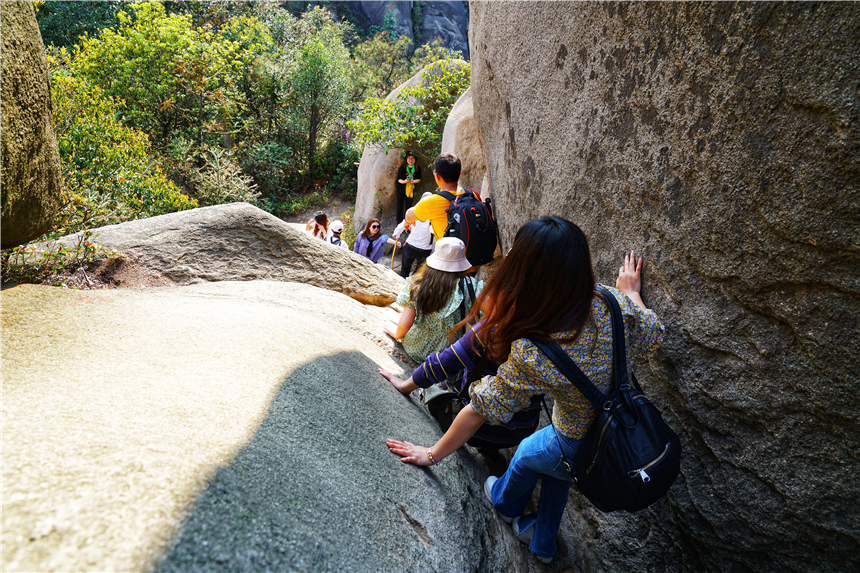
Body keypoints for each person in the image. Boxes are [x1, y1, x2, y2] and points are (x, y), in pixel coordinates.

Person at [385, 217, 664, 564]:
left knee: (531, 455)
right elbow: (654, 332)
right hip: (623, 426)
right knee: (556, 472)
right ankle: (543, 546)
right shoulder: (610, 301)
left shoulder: (536, 348)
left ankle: (503, 502)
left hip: (576, 442)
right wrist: (632, 294)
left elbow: (479, 409)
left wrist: (430, 454)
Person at [384, 237, 483, 363]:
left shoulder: (418, 283)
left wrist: (397, 334)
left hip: (415, 346)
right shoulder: (470, 286)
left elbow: (405, 323)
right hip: (447, 356)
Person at [404, 154, 465, 241]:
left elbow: (408, 216)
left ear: (437, 176)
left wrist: (407, 222)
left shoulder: (432, 201)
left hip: (449, 253)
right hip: (474, 252)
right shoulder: (471, 194)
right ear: (459, 174)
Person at [392, 192, 434, 278]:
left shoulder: (414, 213)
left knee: (405, 269)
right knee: (418, 273)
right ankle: (410, 286)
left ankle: (401, 287)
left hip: (410, 246)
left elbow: (403, 224)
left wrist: (396, 233)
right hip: (425, 250)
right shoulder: (433, 217)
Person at [395, 151, 422, 223]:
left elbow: (419, 179)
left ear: (415, 160)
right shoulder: (402, 168)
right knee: (399, 206)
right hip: (400, 188)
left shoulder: (417, 168)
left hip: (410, 189)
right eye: (409, 158)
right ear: (406, 159)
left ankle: (408, 223)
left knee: (408, 206)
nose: (411, 160)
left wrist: (413, 181)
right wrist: (404, 181)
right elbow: (399, 179)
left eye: (412, 158)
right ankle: (399, 223)